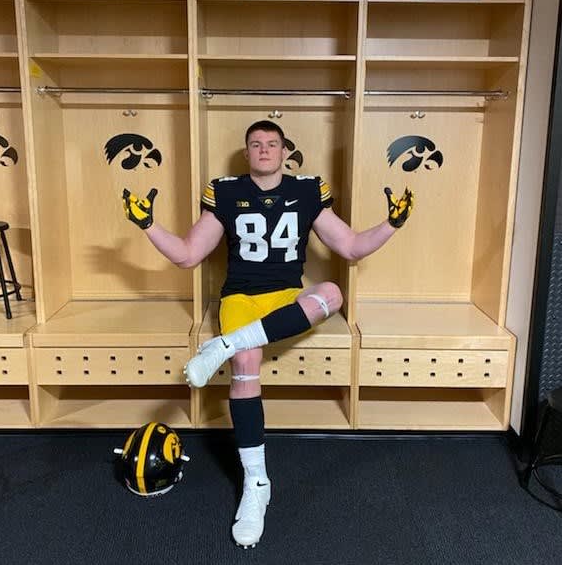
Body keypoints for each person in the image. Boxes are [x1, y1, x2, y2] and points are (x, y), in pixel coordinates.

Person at [122, 120, 413, 549]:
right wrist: (147, 225)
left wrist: (392, 224)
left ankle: (223, 344)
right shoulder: (224, 192)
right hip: (240, 297)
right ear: (246, 153)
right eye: (256, 144)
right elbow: (187, 255)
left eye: (271, 144)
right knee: (246, 362)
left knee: (331, 291)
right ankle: (257, 483)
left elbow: (350, 246)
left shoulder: (308, 190)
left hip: (286, 297)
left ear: (284, 152)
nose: (263, 150)